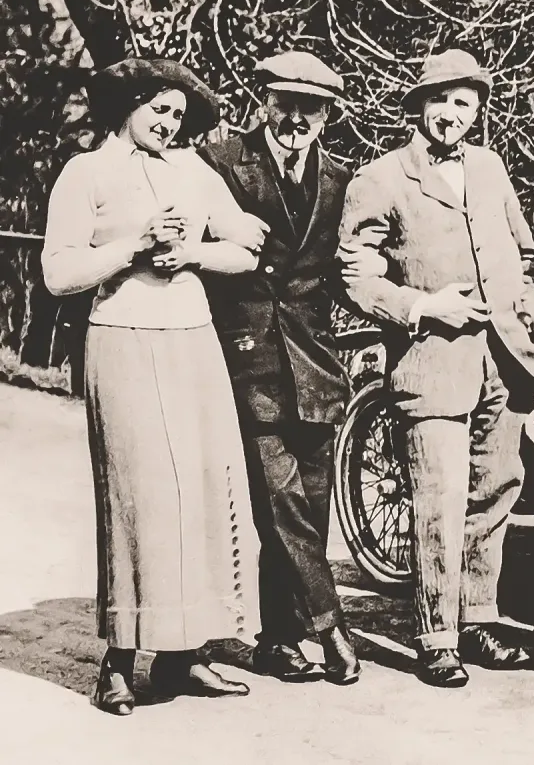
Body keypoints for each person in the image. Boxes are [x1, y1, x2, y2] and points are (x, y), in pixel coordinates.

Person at [42, 58, 265, 715]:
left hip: (193, 338)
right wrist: (134, 247)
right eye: (158, 109)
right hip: (121, 337)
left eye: (177, 115)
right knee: (138, 498)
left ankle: (182, 656)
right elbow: (58, 273)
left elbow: (248, 247)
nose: (168, 123)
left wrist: (192, 252)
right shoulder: (86, 172)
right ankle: (118, 661)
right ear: (129, 105)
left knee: (198, 491)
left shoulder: (192, 170)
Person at [338, 48, 534, 688]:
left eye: (464, 103)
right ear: (418, 107)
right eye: (440, 100)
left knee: (495, 491)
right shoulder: (379, 179)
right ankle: (437, 637)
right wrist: (424, 306)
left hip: (505, 361)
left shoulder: (490, 168)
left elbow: (524, 251)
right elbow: (355, 275)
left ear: (478, 111)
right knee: (440, 497)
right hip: (432, 362)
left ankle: (478, 619)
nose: (451, 114)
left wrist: (531, 300)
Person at [199, 51, 367, 685]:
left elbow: (346, 273)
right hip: (248, 356)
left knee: (311, 506)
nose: (296, 119)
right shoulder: (219, 162)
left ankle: (278, 640)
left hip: (315, 362)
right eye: (285, 104)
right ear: (264, 102)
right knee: (281, 501)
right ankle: (330, 626)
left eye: (311, 108)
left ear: (328, 115)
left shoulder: (342, 180)